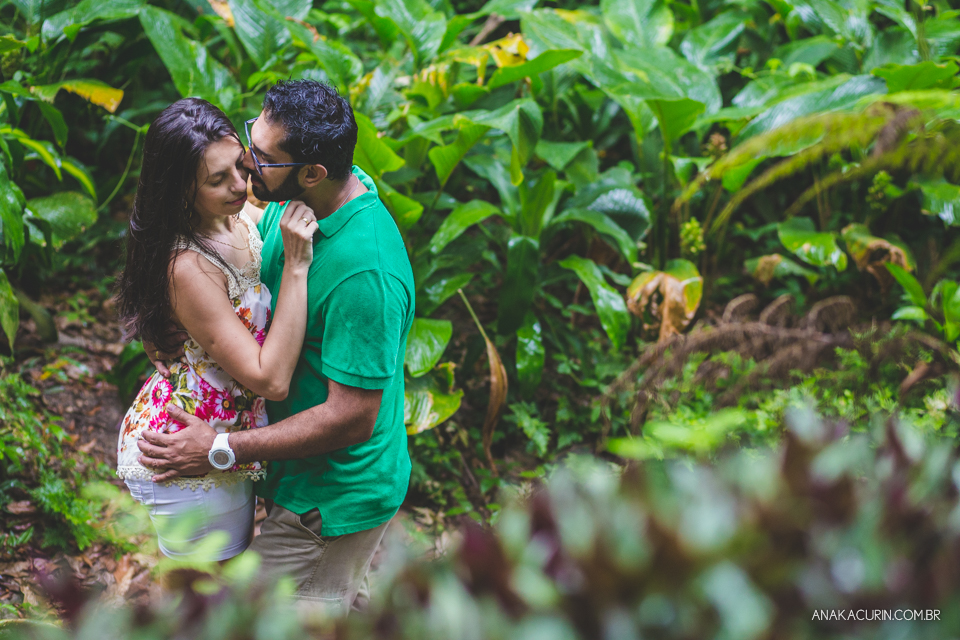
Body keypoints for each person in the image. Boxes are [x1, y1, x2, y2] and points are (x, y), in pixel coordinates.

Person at [136, 80, 415, 612]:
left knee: (250, 620)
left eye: (261, 157)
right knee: (330, 605)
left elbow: (352, 416)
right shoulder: (304, 202)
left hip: (331, 498)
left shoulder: (366, 275)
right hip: (295, 481)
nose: (246, 160)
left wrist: (219, 449)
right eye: (251, 139)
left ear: (312, 172)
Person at [115, 98, 318, 561]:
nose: (240, 184)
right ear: (180, 190)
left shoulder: (236, 215)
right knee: (205, 607)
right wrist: (297, 267)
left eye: (240, 166)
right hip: (184, 450)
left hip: (220, 440)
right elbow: (270, 379)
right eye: (217, 179)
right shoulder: (187, 266)